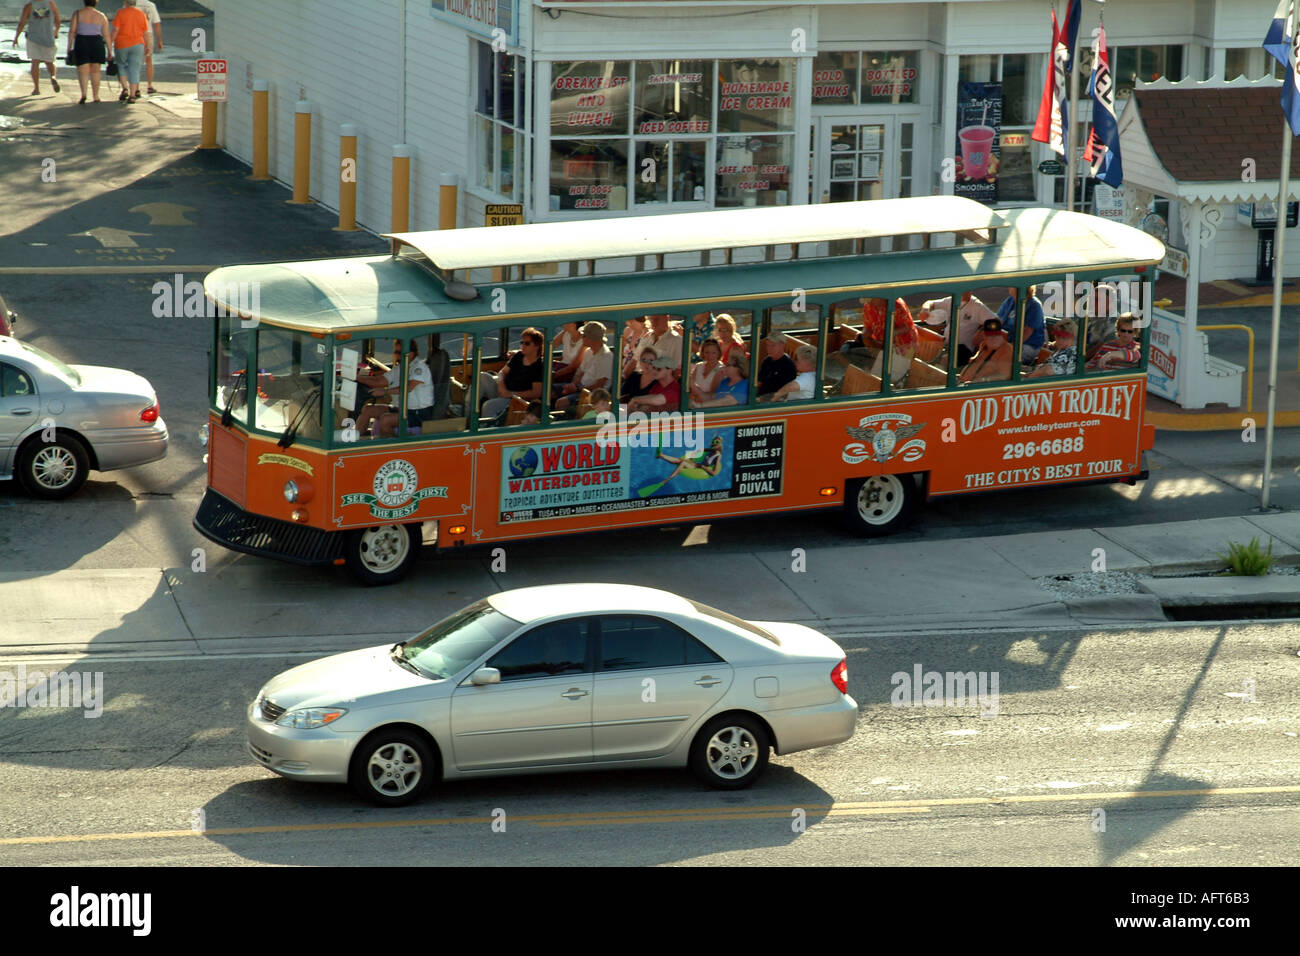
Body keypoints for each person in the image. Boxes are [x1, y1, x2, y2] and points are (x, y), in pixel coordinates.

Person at [839, 298, 918, 384]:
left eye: (871, 300)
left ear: (879, 297)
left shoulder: (897, 305)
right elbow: (868, 325)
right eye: (867, 301)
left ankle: (879, 382)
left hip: (903, 344)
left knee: (886, 375)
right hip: (881, 343)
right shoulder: (869, 306)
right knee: (847, 349)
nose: (869, 303)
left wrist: (891, 333)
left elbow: (908, 327)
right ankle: (861, 378)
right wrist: (864, 334)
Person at [481, 327, 545, 425]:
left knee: (488, 406)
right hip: (502, 390)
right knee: (482, 377)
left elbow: (536, 393)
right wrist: (501, 385)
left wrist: (511, 394)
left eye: (527, 343)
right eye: (522, 342)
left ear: (537, 346)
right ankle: (465, 415)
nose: (523, 345)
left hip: (515, 400)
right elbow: (503, 372)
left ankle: (486, 430)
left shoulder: (538, 367)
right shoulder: (519, 356)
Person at [374, 340, 434, 436]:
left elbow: (408, 388)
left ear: (410, 353)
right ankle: (354, 443)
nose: (396, 355)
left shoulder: (420, 367)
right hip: (403, 409)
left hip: (418, 413)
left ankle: (391, 448)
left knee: (385, 420)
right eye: (395, 352)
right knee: (368, 410)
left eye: (398, 352)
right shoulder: (401, 367)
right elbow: (380, 381)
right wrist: (359, 378)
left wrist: (385, 391)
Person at [637, 436, 724, 498]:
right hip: (697, 465)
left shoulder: (718, 456)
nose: (713, 444)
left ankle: (667, 480)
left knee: (682, 463)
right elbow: (701, 450)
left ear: (720, 445)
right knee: (680, 460)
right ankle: (660, 455)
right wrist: (693, 456)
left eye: (716, 442)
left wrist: (703, 467)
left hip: (701, 468)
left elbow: (714, 473)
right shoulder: (711, 450)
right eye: (713, 442)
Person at [555, 321, 611, 412]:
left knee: (561, 403)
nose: (581, 337)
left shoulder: (606, 357)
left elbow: (600, 385)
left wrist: (578, 388)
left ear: (592, 338)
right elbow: (582, 373)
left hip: (593, 395)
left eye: (584, 336)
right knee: (550, 390)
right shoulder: (588, 351)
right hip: (580, 388)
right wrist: (573, 385)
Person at [12, 1, 62, 96]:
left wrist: (16, 38)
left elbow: (21, 23)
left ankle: (36, 89)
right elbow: (58, 21)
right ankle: (53, 76)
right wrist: (56, 32)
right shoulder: (51, 4)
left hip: (33, 38)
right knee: (50, 61)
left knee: (35, 62)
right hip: (49, 38)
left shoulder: (29, 6)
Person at [66, 0, 108, 103]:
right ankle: (96, 96)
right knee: (96, 71)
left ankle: (84, 94)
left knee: (83, 71)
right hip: (97, 43)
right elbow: (106, 34)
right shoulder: (101, 15)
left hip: (82, 42)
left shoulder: (78, 14)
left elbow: (72, 31)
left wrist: (69, 47)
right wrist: (110, 51)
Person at [110, 0, 149, 103]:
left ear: (125, 2)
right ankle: (132, 95)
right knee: (134, 69)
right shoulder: (141, 14)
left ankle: (125, 89)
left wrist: (110, 42)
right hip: (138, 44)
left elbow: (116, 30)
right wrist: (147, 45)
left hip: (122, 44)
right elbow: (145, 32)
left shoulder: (121, 13)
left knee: (121, 65)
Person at [997, 285, 1046, 364]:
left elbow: (1026, 333)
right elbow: (998, 320)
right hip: (1006, 341)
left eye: (1012, 284)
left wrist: (1009, 347)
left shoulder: (1034, 305)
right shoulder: (1010, 300)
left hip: (1027, 345)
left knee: (1003, 360)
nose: (1009, 286)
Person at [959, 317, 1014, 384]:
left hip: (977, 389)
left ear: (1001, 335)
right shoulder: (983, 346)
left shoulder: (1007, 349)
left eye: (997, 335)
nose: (993, 338)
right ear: (984, 336)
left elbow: (1003, 376)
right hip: (961, 383)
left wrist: (976, 382)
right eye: (990, 335)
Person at [688, 338, 724, 405]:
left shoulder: (721, 369)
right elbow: (690, 388)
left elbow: (713, 394)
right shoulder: (698, 366)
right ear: (702, 352)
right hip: (694, 402)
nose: (710, 356)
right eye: (707, 352)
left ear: (719, 353)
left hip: (709, 404)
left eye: (713, 353)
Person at [136, 0, 158, 93]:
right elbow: (156, 22)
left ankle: (136, 87)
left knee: (136, 61)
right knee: (149, 59)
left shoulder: (131, 4)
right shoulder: (150, 5)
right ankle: (149, 85)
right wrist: (160, 39)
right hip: (148, 32)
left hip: (135, 33)